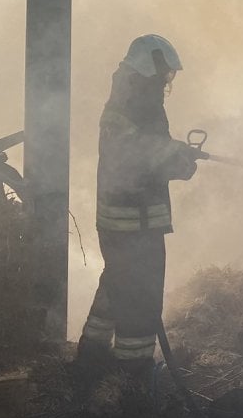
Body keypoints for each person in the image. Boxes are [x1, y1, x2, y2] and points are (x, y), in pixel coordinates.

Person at [76, 34, 198, 378]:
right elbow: (135, 156)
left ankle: (92, 353)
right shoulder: (133, 104)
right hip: (133, 222)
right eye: (163, 74)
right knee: (140, 300)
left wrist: (176, 154)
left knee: (116, 282)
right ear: (149, 68)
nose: (166, 81)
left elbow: (147, 149)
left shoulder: (132, 99)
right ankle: (134, 370)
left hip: (127, 220)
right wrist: (175, 157)